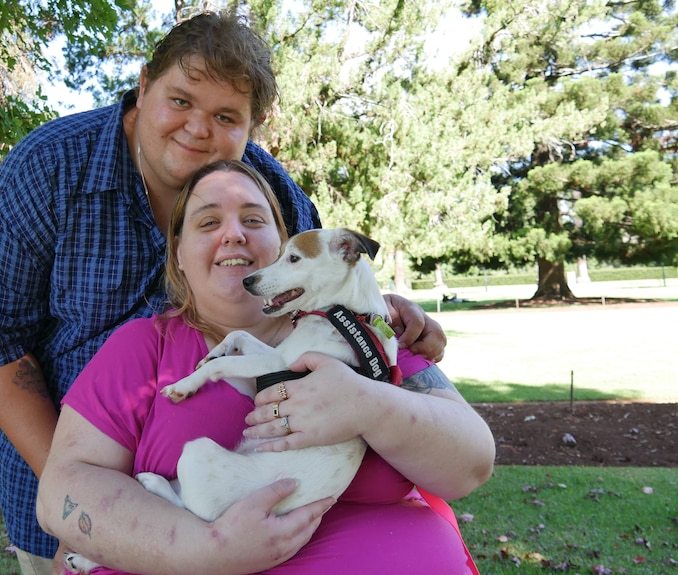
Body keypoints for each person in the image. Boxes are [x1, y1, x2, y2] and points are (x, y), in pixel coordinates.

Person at [0, 11, 448, 573]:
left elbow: (326, 291)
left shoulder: (276, 196)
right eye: (181, 101)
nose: (198, 129)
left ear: (252, 127)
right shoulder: (47, 170)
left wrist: (392, 319)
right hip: (61, 471)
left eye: (225, 116)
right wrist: (93, 511)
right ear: (143, 86)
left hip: (244, 488)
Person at [36, 160, 495, 574]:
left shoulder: (373, 333)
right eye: (208, 221)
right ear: (177, 253)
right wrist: (205, 548)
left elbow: (472, 465)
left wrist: (371, 406)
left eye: (254, 220)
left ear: (282, 243)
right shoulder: (141, 347)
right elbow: (61, 496)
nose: (233, 234)